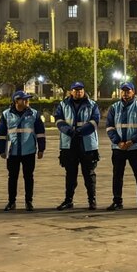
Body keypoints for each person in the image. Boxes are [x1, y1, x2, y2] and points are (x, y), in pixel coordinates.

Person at [54, 81, 101, 210]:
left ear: (84, 91)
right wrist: (68, 131)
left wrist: (80, 131)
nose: (78, 92)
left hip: (87, 144)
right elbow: (58, 120)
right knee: (70, 174)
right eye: (75, 90)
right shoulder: (63, 105)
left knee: (89, 174)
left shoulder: (92, 105)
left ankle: (92, 200)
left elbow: (95, 121)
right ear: (71, 91)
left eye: (80, 90)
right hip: (69, 144)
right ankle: (68, 200)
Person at [0, 90, 45, 211]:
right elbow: (1, 134)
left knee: (29, 177)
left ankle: (29, 202)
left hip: (29, 151)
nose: (27, 101)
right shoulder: (6, 114)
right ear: (16, 101)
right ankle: (11, 202)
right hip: (12, 152)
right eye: (24, 99)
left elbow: (40, 133)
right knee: (12, 177)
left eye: (27, 99)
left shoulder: (34, 114)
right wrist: (1, 150)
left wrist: (41, 149)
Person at [106, 82, 137, 211]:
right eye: (123, 91)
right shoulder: (114, 108)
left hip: (135, 147)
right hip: (118, 147)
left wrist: (132, 141)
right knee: (117, 175)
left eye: (128, 91)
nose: (125, 93)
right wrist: (118, 142)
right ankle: (117, 201)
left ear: (133, 92)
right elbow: (109, 127)